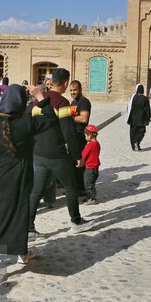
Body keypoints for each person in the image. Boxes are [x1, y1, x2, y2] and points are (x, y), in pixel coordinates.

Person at [0, 84, 56, 286]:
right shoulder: (26, 123)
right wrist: (40, 96)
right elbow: (50, 118)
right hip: (17, 179)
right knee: (2, 221)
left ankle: (21, 252)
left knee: (12, 216)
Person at [28, 68, 93, 238]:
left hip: (38, 153)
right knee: (71, 186)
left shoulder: (36, 103)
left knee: (36, 191)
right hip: (57, 154)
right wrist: (77, 155)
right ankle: (76, 221)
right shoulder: (62, 102)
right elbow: (68, 132)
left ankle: (28, 228)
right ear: (65, 83)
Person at [70, 80, 91, 195]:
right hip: (74, 136)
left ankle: (81, 188)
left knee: (79, 163)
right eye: (71, 90)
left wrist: (68, 117)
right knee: (73, 163)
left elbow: (84, 118)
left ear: (80, 89)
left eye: (75, 90)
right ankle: (75, 187)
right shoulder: (73, 102)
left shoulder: (84, 102)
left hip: (80, 136)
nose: (73, 92)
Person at [126, 84, 151, 151]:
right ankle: (137, 142)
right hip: (141, 117)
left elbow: (128, 106)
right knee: (141, 131)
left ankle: (134, 146)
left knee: (132, 132)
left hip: (133, 116)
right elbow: (148, 109)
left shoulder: (132, 97)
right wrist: (148, 118)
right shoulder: (145, 98)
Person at [81, 124, 101, 205]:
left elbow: (83, 155)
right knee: (90, 183)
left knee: (88, 184)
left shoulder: (90, 145)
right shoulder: (97, 143)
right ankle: (88, 197)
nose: (85, 137)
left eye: (85, 135)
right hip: (95, 168)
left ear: (90, 135)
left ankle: (92, 198)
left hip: (90, 168)